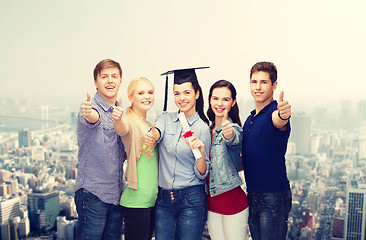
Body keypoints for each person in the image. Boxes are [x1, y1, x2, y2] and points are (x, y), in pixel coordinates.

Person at [144, 67, 211, 240]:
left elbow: (202, 173)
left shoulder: (202, 129)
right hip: (164, 200)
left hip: (192, 199)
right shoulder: (166, 119)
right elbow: (157, 132)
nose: (182, 98)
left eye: (187, 92)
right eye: (177, 93)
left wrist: (201, 154)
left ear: (196, 93)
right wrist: (153, 136)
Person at [74, 59, 125, 240]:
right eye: (104, 77)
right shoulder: (91, 107)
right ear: (95, 83)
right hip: (93, 194)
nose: (110, 80)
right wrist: (89, 113)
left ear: (120, 81)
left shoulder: (119, 112)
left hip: (116, 195)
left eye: (114, 76)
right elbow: (92, 118)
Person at [242, 61, 292, 240]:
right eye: (254, 82)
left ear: (274, 85)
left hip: (273, 197)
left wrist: (283, 114)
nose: (258, 87)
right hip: (253, 195)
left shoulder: (274, 112)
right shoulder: (249, 120)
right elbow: (247, 159)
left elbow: (279, 120)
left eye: (264, 82)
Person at [112, 77, 158, 240]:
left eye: (150, 92)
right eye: (141, 93)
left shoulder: (150, 124)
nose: (147, 96)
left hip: (151, 202)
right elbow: (123, 129)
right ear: (131, 98)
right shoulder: (129, 121)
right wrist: (117, 119)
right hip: (135, 203)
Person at [206, 80, 249, 240]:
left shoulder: (234, 128)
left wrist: (227, 131)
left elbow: (233, 138)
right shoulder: (206, 131)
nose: (219, 103)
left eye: (225, 99)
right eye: (215, 98)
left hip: (234, 205)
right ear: (210, 100)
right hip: (212, 207)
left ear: (233, 102)